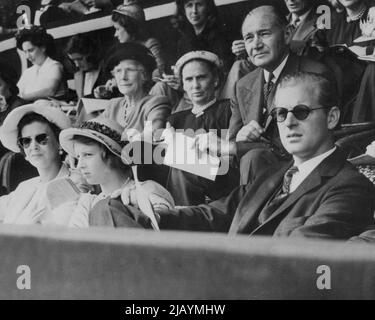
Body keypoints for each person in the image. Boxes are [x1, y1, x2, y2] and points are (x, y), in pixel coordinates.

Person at [151, 71, 375, 240]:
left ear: (332, 117)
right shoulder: (273, 175)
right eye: (281, 113)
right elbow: (215, 214)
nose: (288, 122)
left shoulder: (350, 187)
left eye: (301, 112)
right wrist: (156, 216)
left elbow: (299, 258)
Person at [194, 5, 331, 187]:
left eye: (264, 34)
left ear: (288, 33)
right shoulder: (243, 84)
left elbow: (308, 143)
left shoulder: (313, 75)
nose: (256, 45)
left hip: (291, 175)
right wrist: (239, 139)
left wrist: (237, 147)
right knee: (187, 157)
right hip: (244, 175)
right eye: (249, 38)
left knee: (254, 157)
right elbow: (232, 144)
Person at [55, 116, 174, 228]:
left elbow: (166, 226)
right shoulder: (88, 203)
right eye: (78, 157)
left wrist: (141, 205)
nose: (80, 165)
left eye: (87, 155)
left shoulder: (146, 190)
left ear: (112, 155)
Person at [0, 101, 73, 224]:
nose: (33, 146)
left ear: (59, 143)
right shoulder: (26, 187)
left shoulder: (73, 185)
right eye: (26, 141)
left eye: (41, 138)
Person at [165, 50, 239, 205]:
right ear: (183, 85)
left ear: (216, 80)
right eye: (189, 80)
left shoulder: (228, 109)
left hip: (223, 183)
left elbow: (231, 159)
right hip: (185, 188)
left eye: (201, 77)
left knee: (181, 157)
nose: (195, 85)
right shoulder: (175, 120)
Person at [100, 42, 171, 141]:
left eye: (130, 70)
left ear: (144, 75)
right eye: (118, 71)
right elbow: (93, 131)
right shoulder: (113, 105)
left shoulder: (156, 103)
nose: (123, 77)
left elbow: (152, 136)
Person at [111, 3, 166, 77]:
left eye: (118, 29)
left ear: (129, 27)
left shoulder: (150, 44)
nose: (115, 34)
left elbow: (160, 71)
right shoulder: (124, 49)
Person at [15, 26, 67, 102]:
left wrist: (21, 98)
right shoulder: (28, 72)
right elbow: (16, 92)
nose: (27, 56)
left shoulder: (54, 66)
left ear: (43, 47)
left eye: (31, 50)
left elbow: (50, 91)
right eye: (25, 52)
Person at [66, 33, 109, 99]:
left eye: (80, 59)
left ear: (90, 54)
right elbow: (81, 100)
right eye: (73, 60)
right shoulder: (78, 74)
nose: (77, 64)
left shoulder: (105, 71)